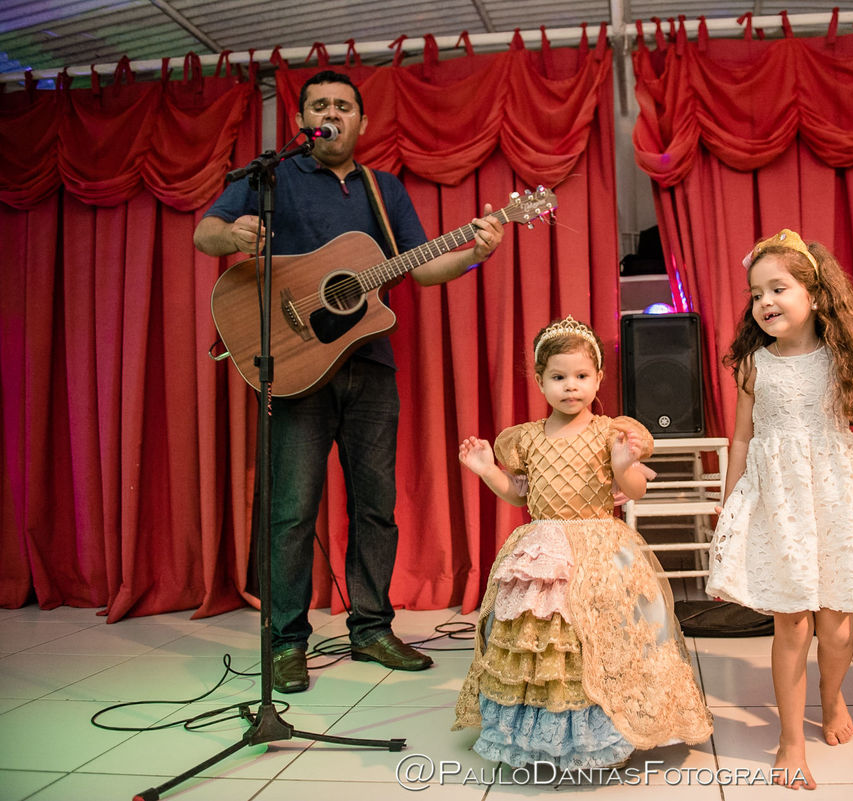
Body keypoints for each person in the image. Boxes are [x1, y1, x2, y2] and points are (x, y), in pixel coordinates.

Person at [193, 70, 506, 693]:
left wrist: (476, 252)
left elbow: (420, 268)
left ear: (362, 122)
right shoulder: (273, 178)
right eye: (319, 105)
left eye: (343, 105)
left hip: (370, 368)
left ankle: (371, 629)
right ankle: (286, 642)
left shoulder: (382, 189)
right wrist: (233, 233)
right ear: (302, 121)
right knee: (290, 512)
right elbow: (206, 232)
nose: (331, 113)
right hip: (296, 367)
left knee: (375, 507)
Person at [453, 316, 712, 770]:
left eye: (581, 376)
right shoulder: (528, 438)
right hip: (546, 548)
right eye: (558, 377)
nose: (570, 386)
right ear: (540, 381)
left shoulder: (610, 432)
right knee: (549, 639)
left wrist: (623, 464)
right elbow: (519, 494)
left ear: (598, 378)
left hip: (601, 545)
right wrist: (487, 469)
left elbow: (634, 490)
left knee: (609, 632)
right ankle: (547, 732)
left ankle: (609, 730)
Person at [705, 229, 853, 790]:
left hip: (836, 499)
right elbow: (742, 439)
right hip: (779, 503)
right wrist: (732, 500)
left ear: (816, 295)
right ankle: (791, 739)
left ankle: (832, 692)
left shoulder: (843, 359)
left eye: (778, 289)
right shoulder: (754, 364)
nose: (765, 302)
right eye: (756, 293)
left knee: (838, 628)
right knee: (793, 623)